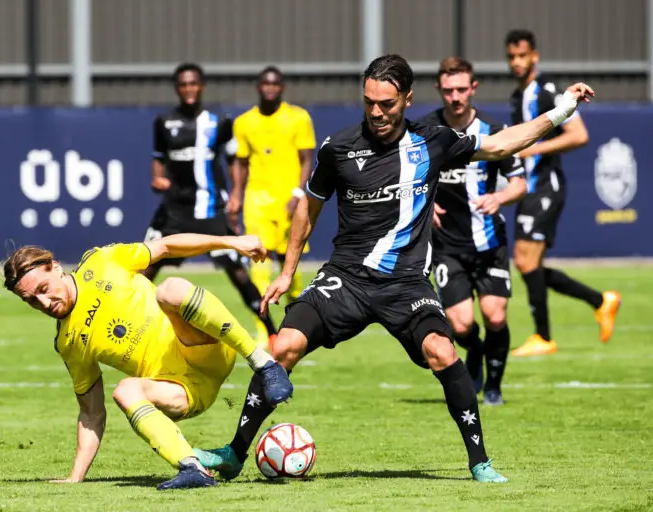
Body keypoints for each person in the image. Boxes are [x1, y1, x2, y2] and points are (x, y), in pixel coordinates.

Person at [195, 53, 596, 483]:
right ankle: (235, 453)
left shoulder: (434, 140)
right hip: (345, 278)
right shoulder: (339, 148)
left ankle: (480, 462)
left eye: (386, 103)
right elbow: (308, 208)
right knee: (283, 348)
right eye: (369, 102)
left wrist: (561, 111)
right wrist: (288, 272)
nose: (377, 112)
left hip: (405, 283)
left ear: (406, 98)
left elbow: (502, 145)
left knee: (442, 352)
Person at [0, 233, 293, 490]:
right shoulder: (68, 343)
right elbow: (91, 414)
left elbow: (165, 246)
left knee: (170, 290)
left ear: (55, 266)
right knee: (125, 390)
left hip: (204, 347)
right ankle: (192, 467)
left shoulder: (102, 261)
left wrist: (231, 242)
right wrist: (75, 477)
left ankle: (264, 364)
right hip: (184, 391)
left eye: (42, 289)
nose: (43, 303)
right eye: (31, 301)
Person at [504, 29, 621, 356]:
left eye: (522, 55)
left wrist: (534, 148)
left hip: (545, 186)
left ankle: (543, 337)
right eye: (512, 56)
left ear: (534, 57)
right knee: (530, 265)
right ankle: (601, 301)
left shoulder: (548, 90)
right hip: (530, 187)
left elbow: (578, 134)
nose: (516, 62)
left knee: (525, 262)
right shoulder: (518, 96)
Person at [419, 57, 526, 406]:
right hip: (447, 245)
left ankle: (494, 385)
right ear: (439, 90)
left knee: (496, 315)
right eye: (448, 90)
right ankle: (476, 351)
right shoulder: (424, 131)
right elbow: (409, 178)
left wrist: (500, 196)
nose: (455, 97)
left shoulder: (495, 132)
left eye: (461, 90)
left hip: (489, 241)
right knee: (461, 327)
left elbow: (520, 184)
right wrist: (425, 201)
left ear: (473, 89)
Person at [145, 62, 278, 342]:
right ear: (177, 88)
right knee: (147, 266)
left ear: (201, 86)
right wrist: (157, 180)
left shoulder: (218, 122)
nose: (189, 89)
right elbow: (158, 162)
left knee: (237, 272)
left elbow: (234, 162)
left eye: (193, 83)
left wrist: (237, 195)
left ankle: (272, 332)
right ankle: (124, 323)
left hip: (210, 208)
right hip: (175, 210)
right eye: (183, 84)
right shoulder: (164, 122)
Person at [228, 66, 317, 342]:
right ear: (258, 87)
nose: (270, 88)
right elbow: (241, 162)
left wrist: (297, 193)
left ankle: (298, 314)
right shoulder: (244, 122)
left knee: (290, 264)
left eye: (275, 83)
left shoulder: (297, 117)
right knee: (259, 263)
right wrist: (237, 195)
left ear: (282, 87)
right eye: (265, 84)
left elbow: (307, 158)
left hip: (289, 201)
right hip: (257, 201)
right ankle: (264, 330)